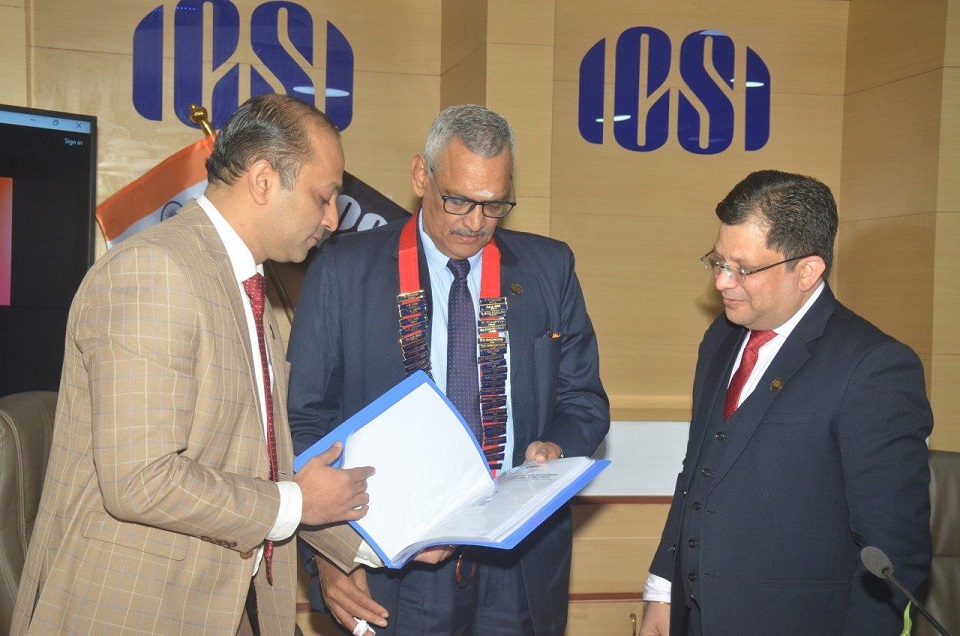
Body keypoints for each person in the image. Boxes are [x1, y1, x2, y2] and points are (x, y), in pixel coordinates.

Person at [12, 94, 376, 635]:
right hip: (132, 611)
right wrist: (298, 503)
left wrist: (372, 546)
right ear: (262, 180)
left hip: (219, 603)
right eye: (323, 196)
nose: (331, 218)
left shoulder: (247, 286)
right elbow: (141, 480)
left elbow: (257, 463)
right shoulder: (155, 270)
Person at [287, 103, 610, 635]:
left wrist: (555, 446)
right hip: (391, 562)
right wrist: (331, 552)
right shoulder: (343, 270)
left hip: (518, 565)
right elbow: (304, 421)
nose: (475, 223)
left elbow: (583, 402)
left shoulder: (550, 269)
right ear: (422, 175)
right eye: (458, 200)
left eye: (494, 205)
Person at [639, 170, 933, 635]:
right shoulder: (721, 338)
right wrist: (663, 590)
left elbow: (893, 549)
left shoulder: (874, 368)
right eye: (718, 261)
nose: (722, 282)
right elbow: (697, 474)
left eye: (742, 269)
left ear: (808, 271)